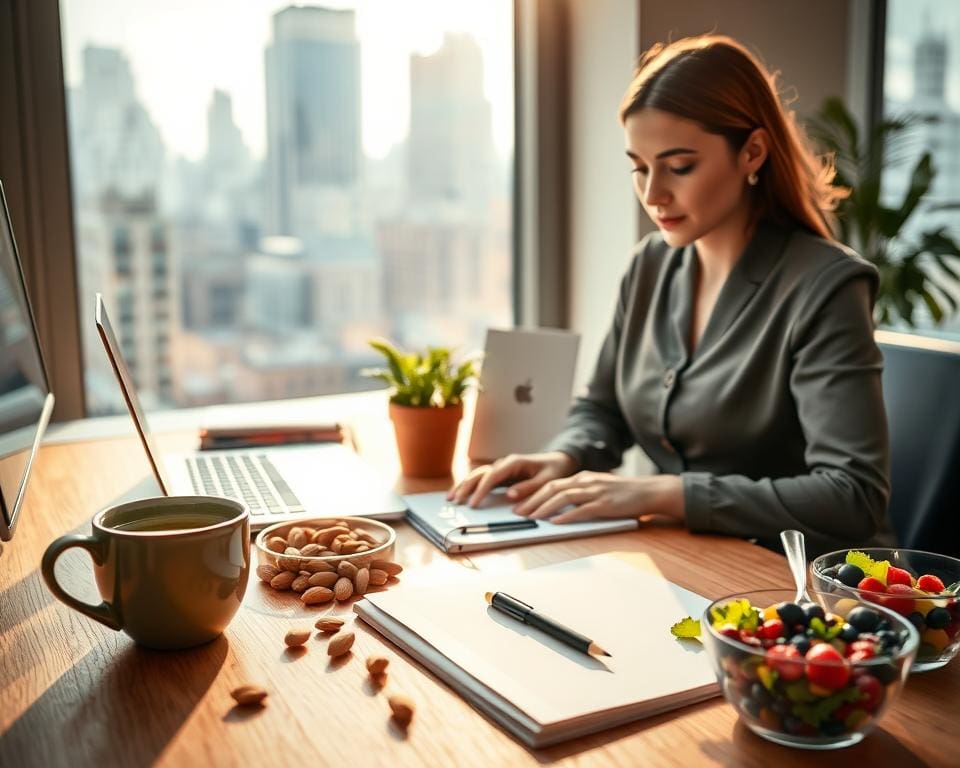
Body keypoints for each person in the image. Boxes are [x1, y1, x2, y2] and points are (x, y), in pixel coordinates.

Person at [449, 34, 896, 557]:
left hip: (804, 584)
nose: (653, 194)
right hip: (687, 559)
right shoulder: (651, 264)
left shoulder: (826, 286)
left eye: (679, 166)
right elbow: (603, 409)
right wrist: (564, 456)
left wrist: (666, 493)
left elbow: (852, 496)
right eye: (640, 167)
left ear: (752, 151)